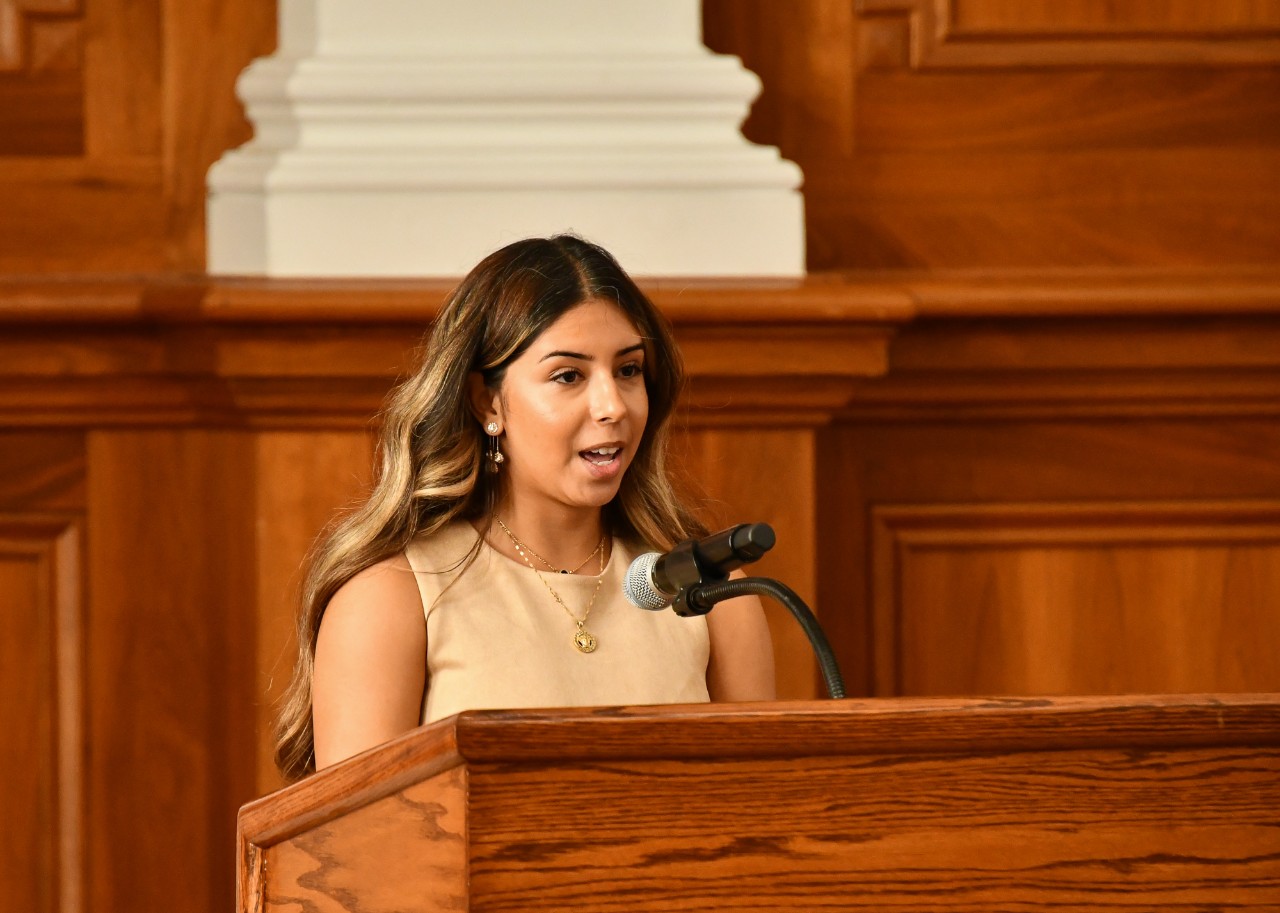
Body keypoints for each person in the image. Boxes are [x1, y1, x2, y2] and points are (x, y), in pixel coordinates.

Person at [273, 235, 775, 781]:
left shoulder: (713, 595)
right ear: (487, 401)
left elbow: (761, 813)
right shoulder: (390, 598)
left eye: (628, 370)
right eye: (568, 376)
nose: (612, 406)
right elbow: (363, 833)